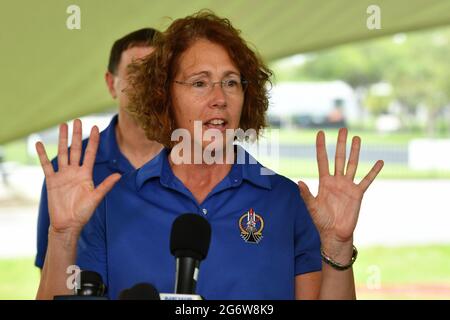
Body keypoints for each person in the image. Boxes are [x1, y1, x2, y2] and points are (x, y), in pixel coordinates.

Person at [35, 11, 384, 300]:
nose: (220, 97)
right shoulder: (112, 205)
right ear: (163, 97)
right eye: (200, 83)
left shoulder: (287, 201)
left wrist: (338, 248)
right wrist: (62, 236)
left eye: (232, 82)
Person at [34, 28, 163, 270]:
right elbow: (49, 275)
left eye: (157, 73)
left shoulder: (195, 164)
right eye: (136, 73)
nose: (148, 84)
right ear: (110, 83)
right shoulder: (66, 169)